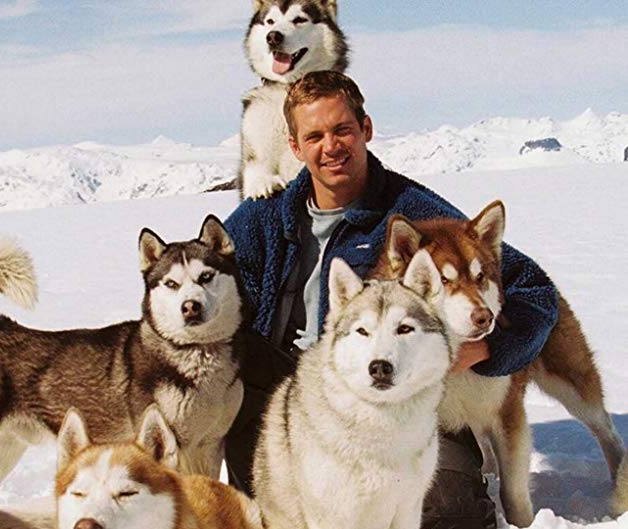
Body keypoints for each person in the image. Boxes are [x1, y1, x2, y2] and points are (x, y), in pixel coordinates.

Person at [223, 71, 559, 529]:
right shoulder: (263, 216)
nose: (331, 146)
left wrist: (486, 349)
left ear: (366, 129)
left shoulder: (412, 210)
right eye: (315, 136)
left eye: (342, 129)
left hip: (398, 396)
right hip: (290, 395)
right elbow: (207, 287)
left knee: (451, 513)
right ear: (295, 147)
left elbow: (535, 291)